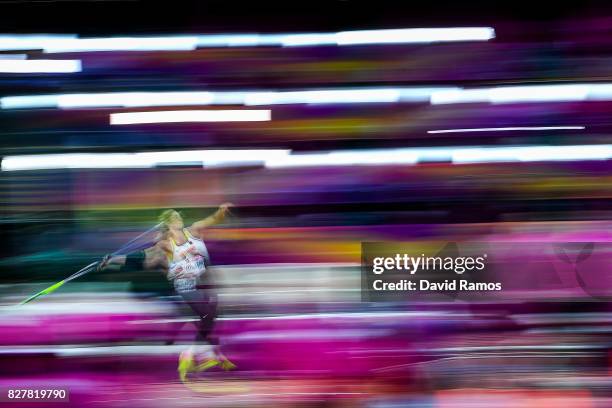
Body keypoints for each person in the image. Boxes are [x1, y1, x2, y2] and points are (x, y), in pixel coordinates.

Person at [99, 203, 235, 381]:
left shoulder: (194, 230)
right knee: (207, 316)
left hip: (205, 281)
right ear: (167, 224)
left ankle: (213, 355)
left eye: (179, 216)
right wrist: (112, 260)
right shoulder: (164, 244)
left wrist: (221, 212)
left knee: (211, 318)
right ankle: (193, 355)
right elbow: (141, 259)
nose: (178, 219)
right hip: (186, 284)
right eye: (174, 218)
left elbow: (213, 220)